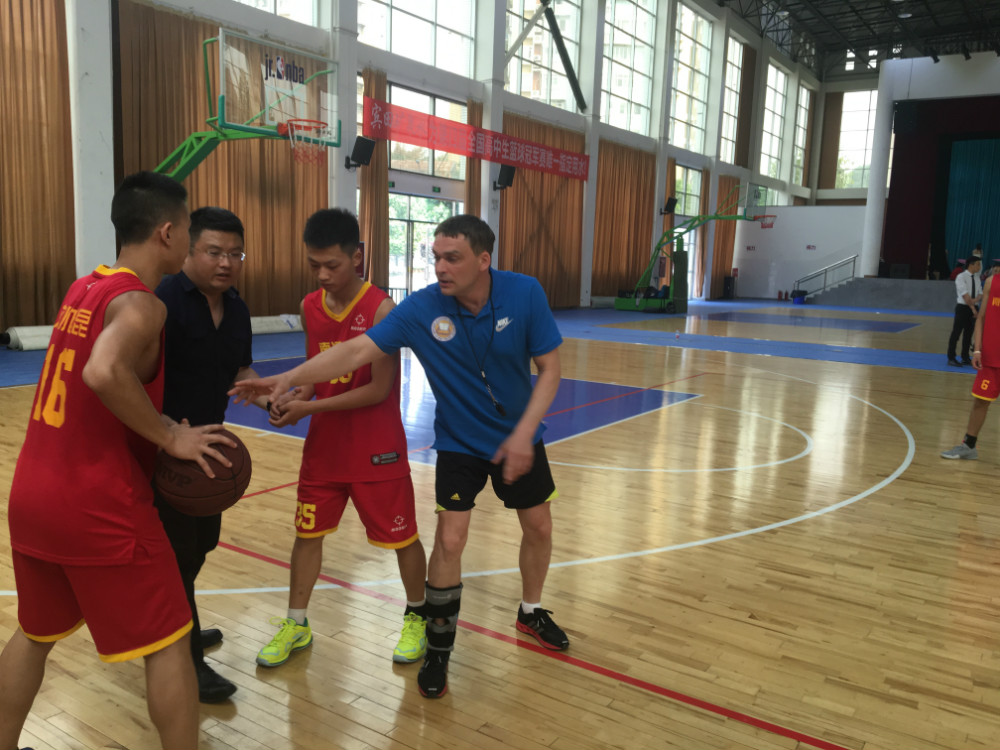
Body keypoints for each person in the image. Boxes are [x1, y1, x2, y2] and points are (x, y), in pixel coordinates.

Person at [232, 214, 567, 701]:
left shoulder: (525, 292)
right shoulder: (420, 308)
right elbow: (354, 352)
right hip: (459, 442)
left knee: (539, 527)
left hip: (520, 436)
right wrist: (288, 378)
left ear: (483, 260)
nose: (440, 267)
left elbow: (550, 369)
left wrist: (522, 435)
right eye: (436, 257)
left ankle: (530, 611)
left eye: (452, 258)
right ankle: (438, 647)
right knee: (449, 539)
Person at [0, 171, 233, 750]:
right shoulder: (141, 304)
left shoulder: (84, 288)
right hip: (98, 502)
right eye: (187, 228)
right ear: (167, 232)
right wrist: (168, 436)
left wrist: (157, 423)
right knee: (171, 640)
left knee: (34, 634)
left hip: (33, 493)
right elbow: (103, 372)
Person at [254, 208, 428, 669]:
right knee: (306, 535)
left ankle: (418, 616)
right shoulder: (310, 307)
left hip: (376, 448)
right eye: (314, 265)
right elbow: (315, 375)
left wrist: (309, 408)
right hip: (324, 450)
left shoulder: (382, 309)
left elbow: (378, 389)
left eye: (331, 265)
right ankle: (296, 623)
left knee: (403, 538)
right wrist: (287, 399)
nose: (322, 275)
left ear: (357, 257)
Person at [154, 206, 271, 703]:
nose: (226, 262)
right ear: (189, 249)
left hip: (210, 455)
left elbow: (240, 372)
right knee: (178, 556)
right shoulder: (162, 302)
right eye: (214, 252)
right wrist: (164, 434)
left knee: (202, 545)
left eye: (235, 254)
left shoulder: (237, 309)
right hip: (163, 454)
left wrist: (270, 398)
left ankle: (178, 624)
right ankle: (185, 661)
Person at [942, 271, 1000, 459]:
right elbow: (981, 317)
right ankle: (969, 446)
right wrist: (977, 350)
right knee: (980, 402)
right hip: (990, 358)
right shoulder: (992, 282)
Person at [947, 256, 982, 367]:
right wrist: (973, 308)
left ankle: (965, 357)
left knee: (968, 334)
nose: (979, 267)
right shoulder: (961, 277)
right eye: (978, 264)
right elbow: (965, 296)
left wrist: (974, 302)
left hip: (974, 307)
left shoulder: (977, 278)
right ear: (971, 265)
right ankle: (951, 357)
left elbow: (980, 293)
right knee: (956, 333)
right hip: (963, 308)